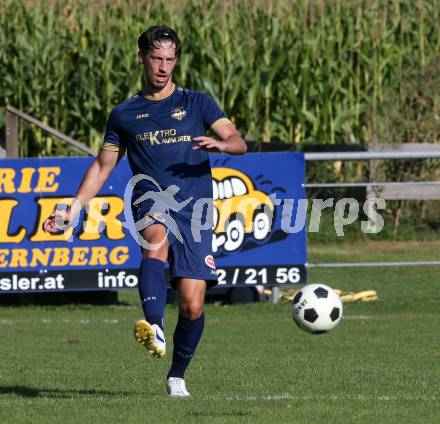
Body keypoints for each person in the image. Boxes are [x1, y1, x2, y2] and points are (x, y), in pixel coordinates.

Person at [43, 25, 247, 397]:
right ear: (142, 58)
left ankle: (177, 376)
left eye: (170, 59)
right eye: (157, 58)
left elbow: (238, 141)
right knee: (156, 241)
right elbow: (103, 166)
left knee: (193, 304)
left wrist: (222, 144)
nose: (164, 67)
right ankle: (154, 326)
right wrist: (72, 210)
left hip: (197, 209)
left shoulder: (199, 103)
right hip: (151, 199)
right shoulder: (124, 114)